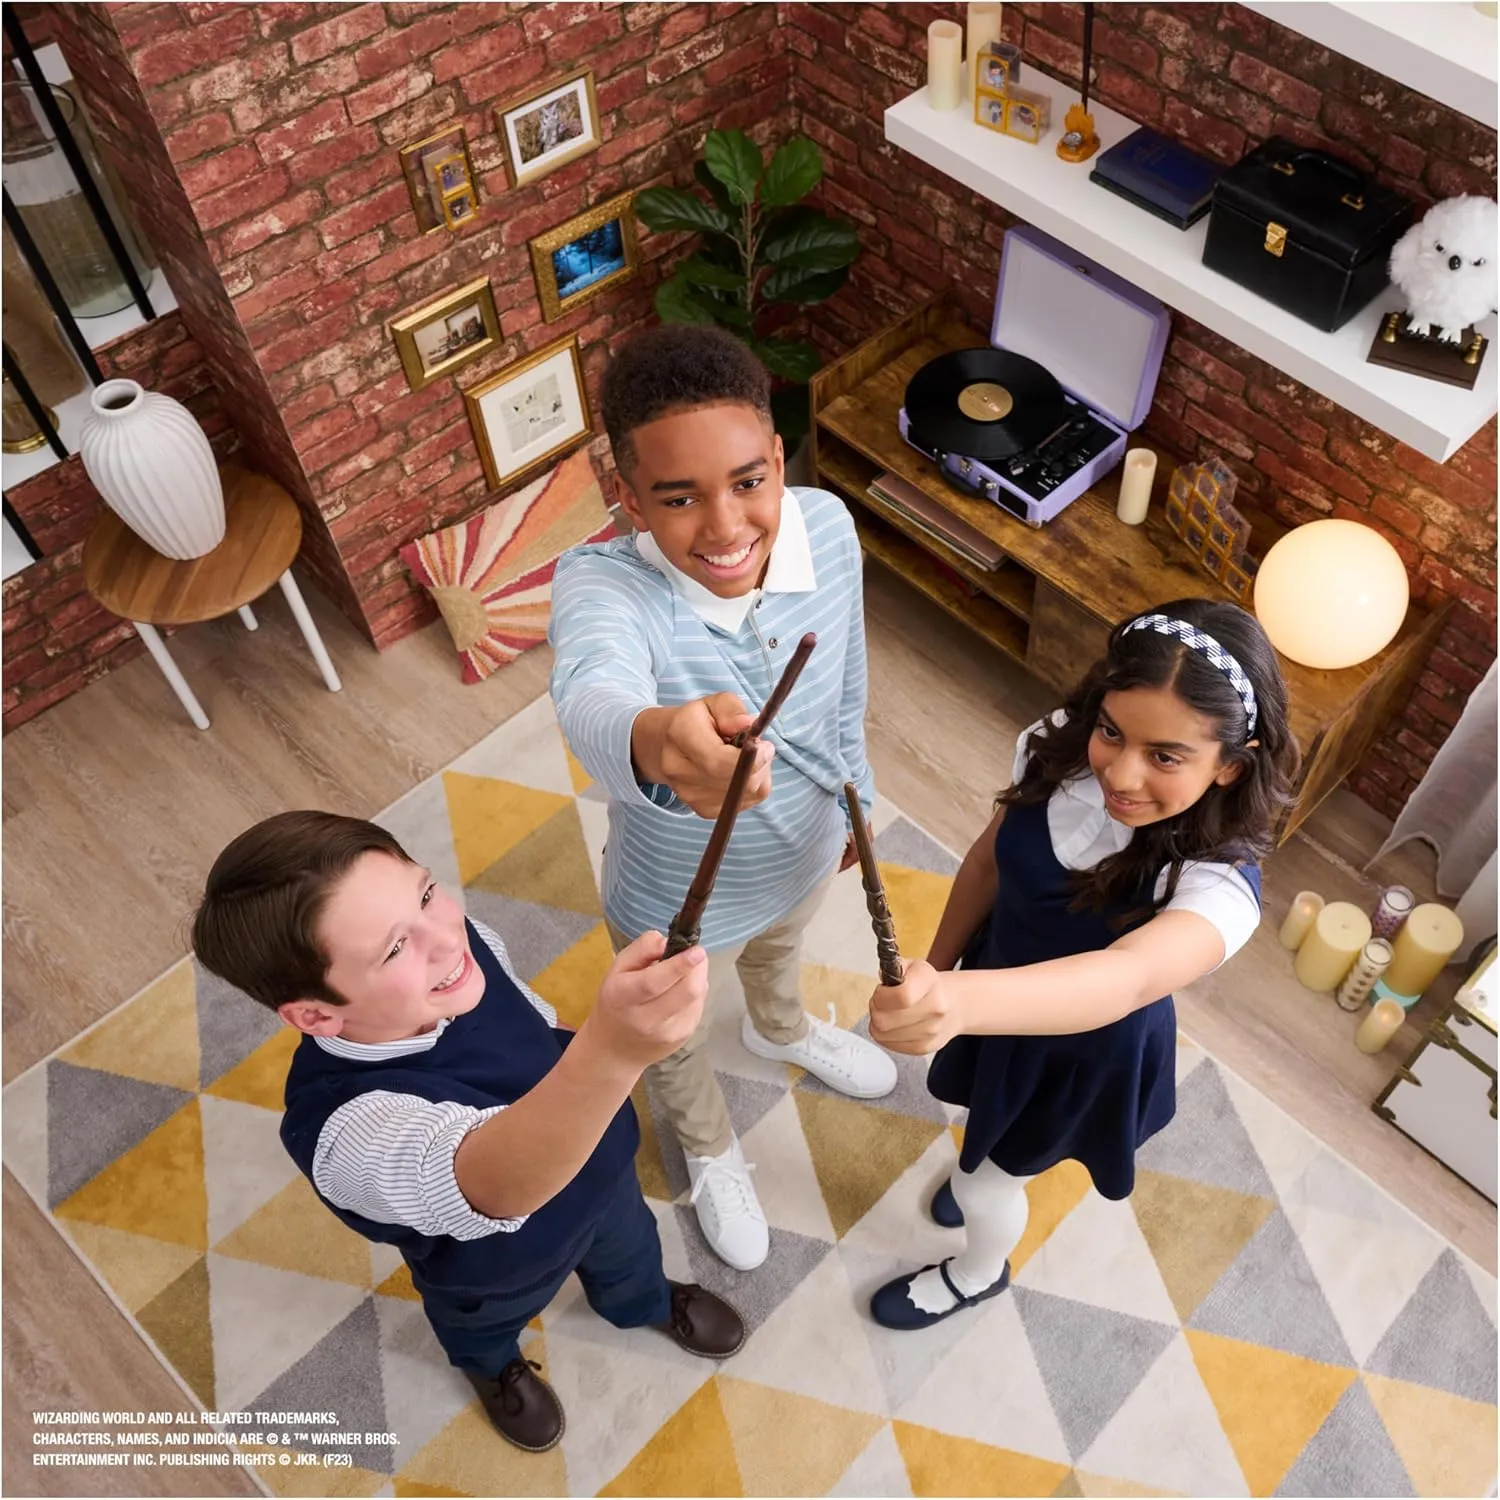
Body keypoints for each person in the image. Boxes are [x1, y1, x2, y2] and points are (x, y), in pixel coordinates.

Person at [191, 811, 745, 1454]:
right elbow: (493, 1184)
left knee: (632, 1251)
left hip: (604, 1177)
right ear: (315, 1015)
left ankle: (643, 1302)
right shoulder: (344, 1131)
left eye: (427, 893)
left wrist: (569, 1040)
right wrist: (611, 1053)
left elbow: (528, 1015)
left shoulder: (463, 951)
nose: (446, 938)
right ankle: (494, 1365)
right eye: (394, 948)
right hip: (495, 1267)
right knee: (482, 1326)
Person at [549, 324, 897, 1272]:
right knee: (670, 1038)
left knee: (782, 951)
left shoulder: (828, 528)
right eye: (678, 497)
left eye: (748, 482)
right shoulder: (603, 587)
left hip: (808, 843)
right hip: (675, 898)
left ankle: (780, 1026)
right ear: (629, 499)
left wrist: (857, 796)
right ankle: (705, 1147)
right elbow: (590, 692)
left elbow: (848, 683)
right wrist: (659, 741)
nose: (726, 527)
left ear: (779, 460)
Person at [864, 601, 1297, 1328]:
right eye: (1112, 731)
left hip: (1077, 1053)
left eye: (1165, 757)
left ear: (1230, 765)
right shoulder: (1056, 748)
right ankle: (989, 1160)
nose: (1120, 774)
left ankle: (976, 1272)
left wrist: (960, 1002)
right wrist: (932, 973)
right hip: (992, 977)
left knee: (982, 1189)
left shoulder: (1219, 886)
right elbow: (988, 863)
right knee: (985, 1130)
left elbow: (1125, 979)